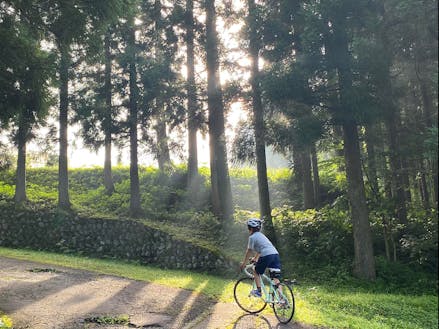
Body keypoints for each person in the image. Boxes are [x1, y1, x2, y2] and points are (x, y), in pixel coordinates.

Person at [240, 218, 282, 297]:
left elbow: (249, 251)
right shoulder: (262, 236)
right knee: (275, 278)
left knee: (256, 271)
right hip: (275, 254)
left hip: (266, 255)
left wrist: (244, 263)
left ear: (250, 228)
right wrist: (255, 258)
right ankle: (282, 300)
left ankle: (258, 291)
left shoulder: (252, 237)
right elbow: (260, 250)